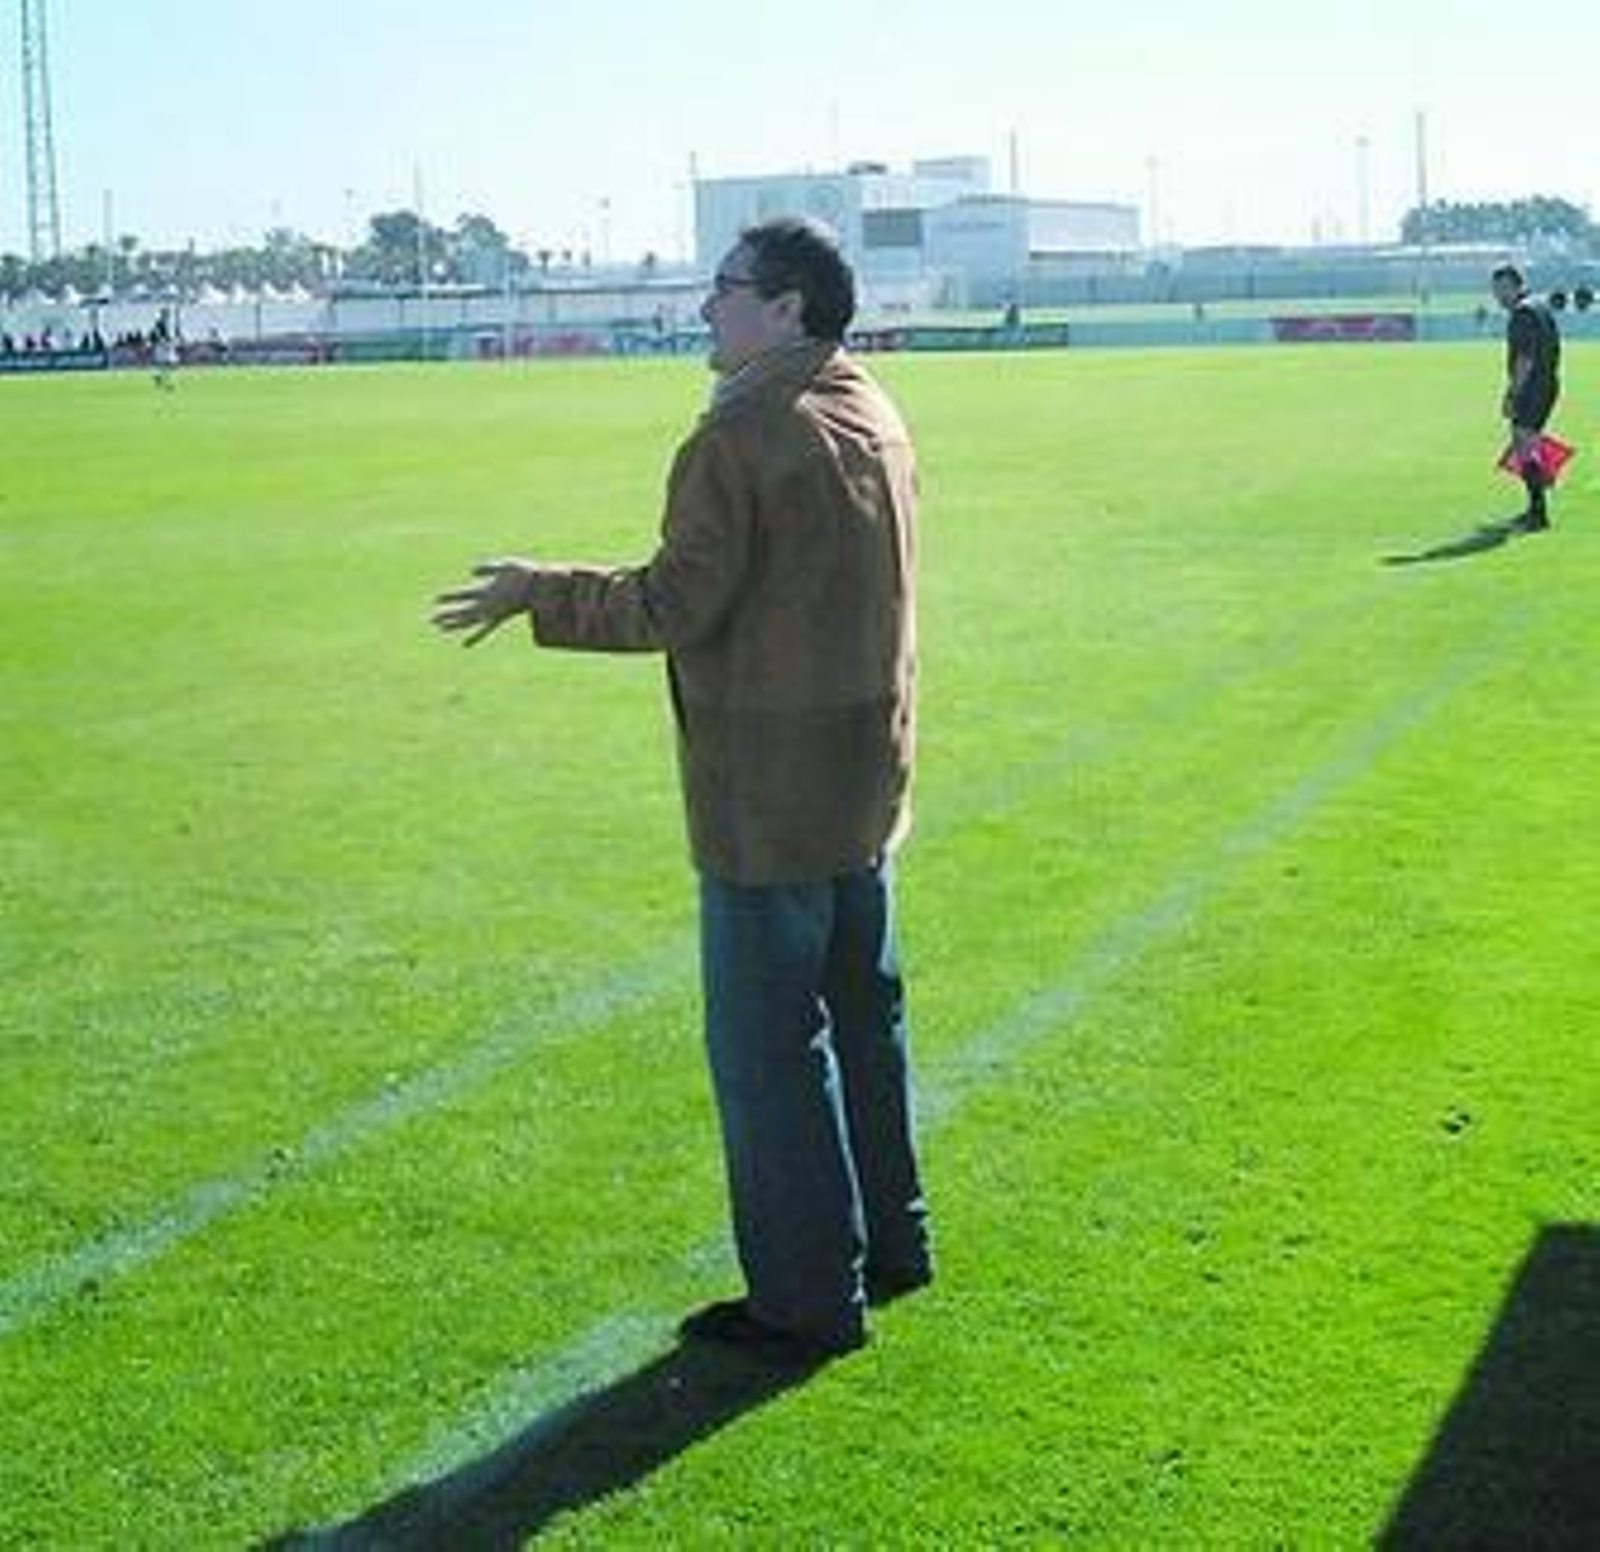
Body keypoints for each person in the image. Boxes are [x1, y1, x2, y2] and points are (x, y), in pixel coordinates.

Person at [431, 216, 931, 1361]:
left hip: (769, 798)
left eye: (726, 289)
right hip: (867, 780)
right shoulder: (872, 408)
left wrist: (534, 591)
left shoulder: (743, 433)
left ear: (788, 306)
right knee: (866, 1024)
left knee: (769, 1053)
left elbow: (671, 605)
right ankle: (890, 1242)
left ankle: (808, 1297)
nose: (705, 308)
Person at [1490, 263, 1562, 533]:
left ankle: (1537, 514)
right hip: (1547, 384)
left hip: (1533, 388)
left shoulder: (1522, 313)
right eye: (1495, 289)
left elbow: (1525, 359)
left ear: (1515, 285)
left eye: (1501, 289)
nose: (1497, 295)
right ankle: (1537, 500)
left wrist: (1512, 393)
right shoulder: (1539, 305)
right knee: (1526, 444)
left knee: (1523, 446)